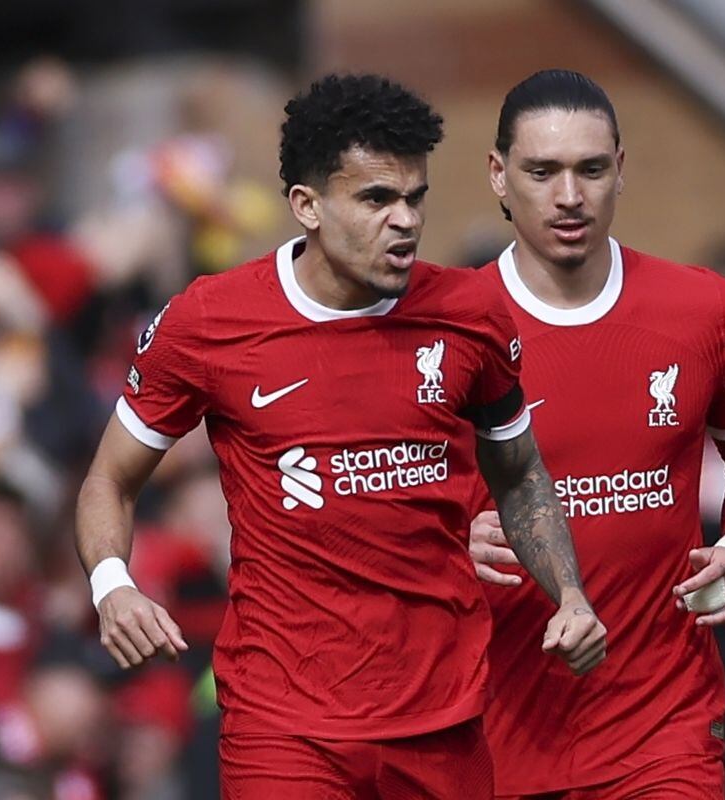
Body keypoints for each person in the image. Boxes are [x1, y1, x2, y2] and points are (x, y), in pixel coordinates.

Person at [74, 73, 606, 799]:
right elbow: (110, 478)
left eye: (415, 198)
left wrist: (569, 593)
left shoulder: (471, 313)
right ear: (307, 206)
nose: (405, 222)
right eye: (376, 199)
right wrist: (113, 586)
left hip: (442, 721)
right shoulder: (210, 323)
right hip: (284, 729)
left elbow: (518, 472)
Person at [467, 70, 725, 799]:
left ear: (621, 169)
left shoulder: (706, 312)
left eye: (590, 169)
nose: (569, 196)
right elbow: (385, 504)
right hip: (498, 736)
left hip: (663, 727)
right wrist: (451, 541)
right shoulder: (449, 327)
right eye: (541, 171)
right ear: (498, 174)